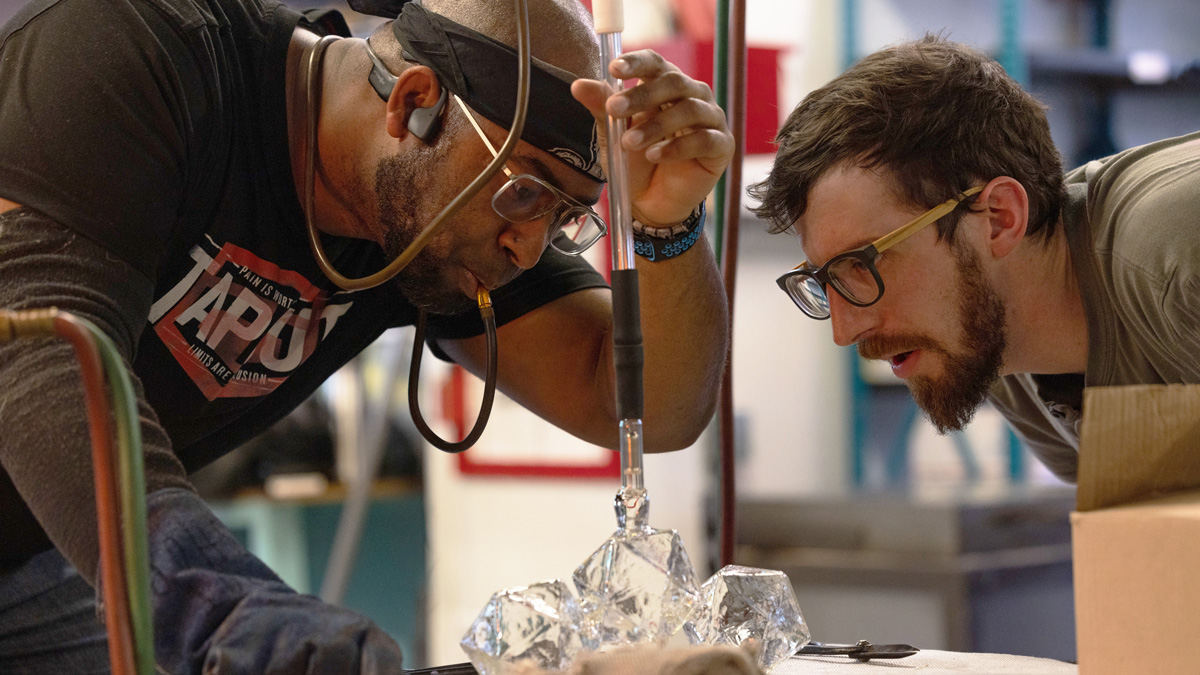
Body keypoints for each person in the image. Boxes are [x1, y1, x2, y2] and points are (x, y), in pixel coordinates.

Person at [0, 0, 737, 671]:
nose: (526, 245)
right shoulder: (136, 52)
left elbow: (649, 405)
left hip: (32, 557)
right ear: (415, 102)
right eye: (526, 192)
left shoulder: (425, 223)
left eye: (564, 215)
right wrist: (226, 606)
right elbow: (36, 361)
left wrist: (669, 223)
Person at [750, 35, 1200, 484]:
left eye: (863, 264)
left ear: (999, 218)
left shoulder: (1177, 261)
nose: (845, 331)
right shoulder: (992, 340)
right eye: (825, 280)